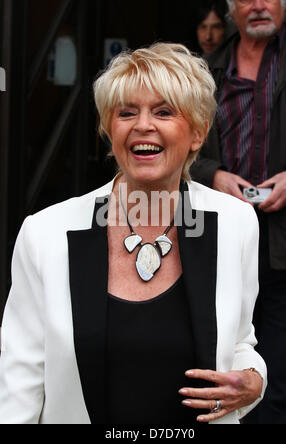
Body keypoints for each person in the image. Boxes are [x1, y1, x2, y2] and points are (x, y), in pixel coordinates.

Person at [0, 43, 266, 425]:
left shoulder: (236, 222)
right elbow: (19, 376)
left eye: (163, 111)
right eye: (126, 112)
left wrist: (255, 379)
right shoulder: (45, 234)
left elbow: (240, 340)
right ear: (110, 130)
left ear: (197, 132)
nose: (143, 125)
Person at [191, 0, 286, 424]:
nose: (258, 5)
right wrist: (213, 175)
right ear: (229, 7)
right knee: (218, 364)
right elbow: (178, 141)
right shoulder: (205, 68)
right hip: (218, 242)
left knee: (283, 381)